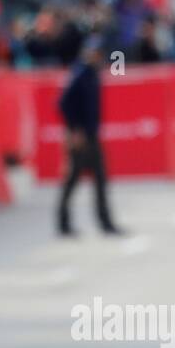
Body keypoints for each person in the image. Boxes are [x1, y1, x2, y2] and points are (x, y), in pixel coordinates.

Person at [57, 35, 122, 236]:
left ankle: (105, 222)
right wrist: (74, 130)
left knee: (101, 181)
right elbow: (63, 103)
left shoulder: (93, 74)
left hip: (92, 136)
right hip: (81, 138)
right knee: (72, 181)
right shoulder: (80, 73)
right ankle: (64, 223)